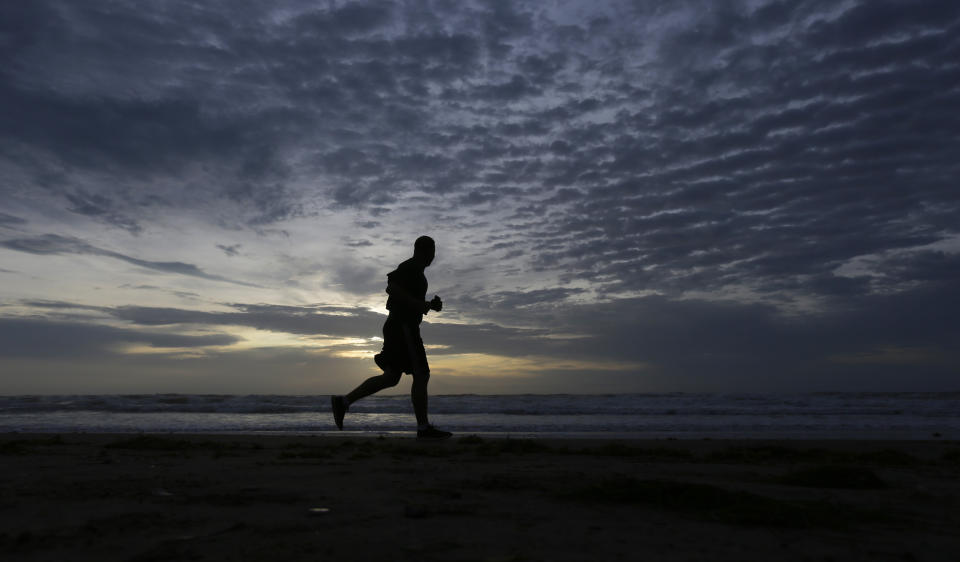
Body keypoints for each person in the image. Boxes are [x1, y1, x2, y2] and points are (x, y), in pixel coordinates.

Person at [331, 236, 452, 440]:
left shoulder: (419, 275)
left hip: (400, 327)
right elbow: (392, 289)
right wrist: (418, 304)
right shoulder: (409, 267)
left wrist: (430, 305)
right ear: (421, 251)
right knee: (421, 374)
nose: (433, 256)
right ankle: (423, 429)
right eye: (431, 251)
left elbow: (411, 301)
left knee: (391, 377)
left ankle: (343, 402)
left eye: (434, 251)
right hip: (403, 327)